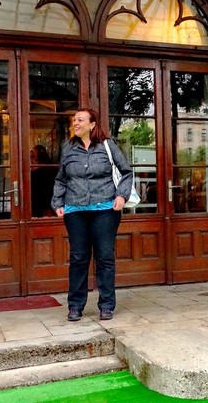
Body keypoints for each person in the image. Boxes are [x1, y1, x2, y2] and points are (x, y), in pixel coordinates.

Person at [51, 108, 133, 322]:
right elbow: (61, 178)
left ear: (92, 124)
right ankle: (75, 306)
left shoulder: (107, 145)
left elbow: (126, 172)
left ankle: (106, 305)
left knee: (104, 257)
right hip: (75, 211)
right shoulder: (68, 148)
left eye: (80, 120)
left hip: (105, 210)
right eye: (74, 120)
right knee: (78, 258)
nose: (75, 123)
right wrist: (57, 201)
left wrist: (122, 195)